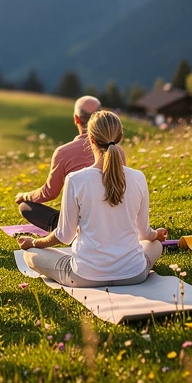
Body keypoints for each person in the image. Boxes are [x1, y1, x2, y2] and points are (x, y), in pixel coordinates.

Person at [17, 110, 167, 287]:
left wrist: (34, 242)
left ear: (91, 139)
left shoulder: (76, 180)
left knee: (30, 254)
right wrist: (157, 235)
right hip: (134, 274)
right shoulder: (138, 177)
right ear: (120, 137)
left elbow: (65, 235)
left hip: (85, 276)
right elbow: (144, 233)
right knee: (156, 245)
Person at [14, 95, 101, 231]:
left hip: (81, 227)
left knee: (26, 207)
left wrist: (25, 196)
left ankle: (70, 234)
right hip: (113, 223)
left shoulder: (63, 152)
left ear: (76, 119)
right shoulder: (116, 150)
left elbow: (50, 193)